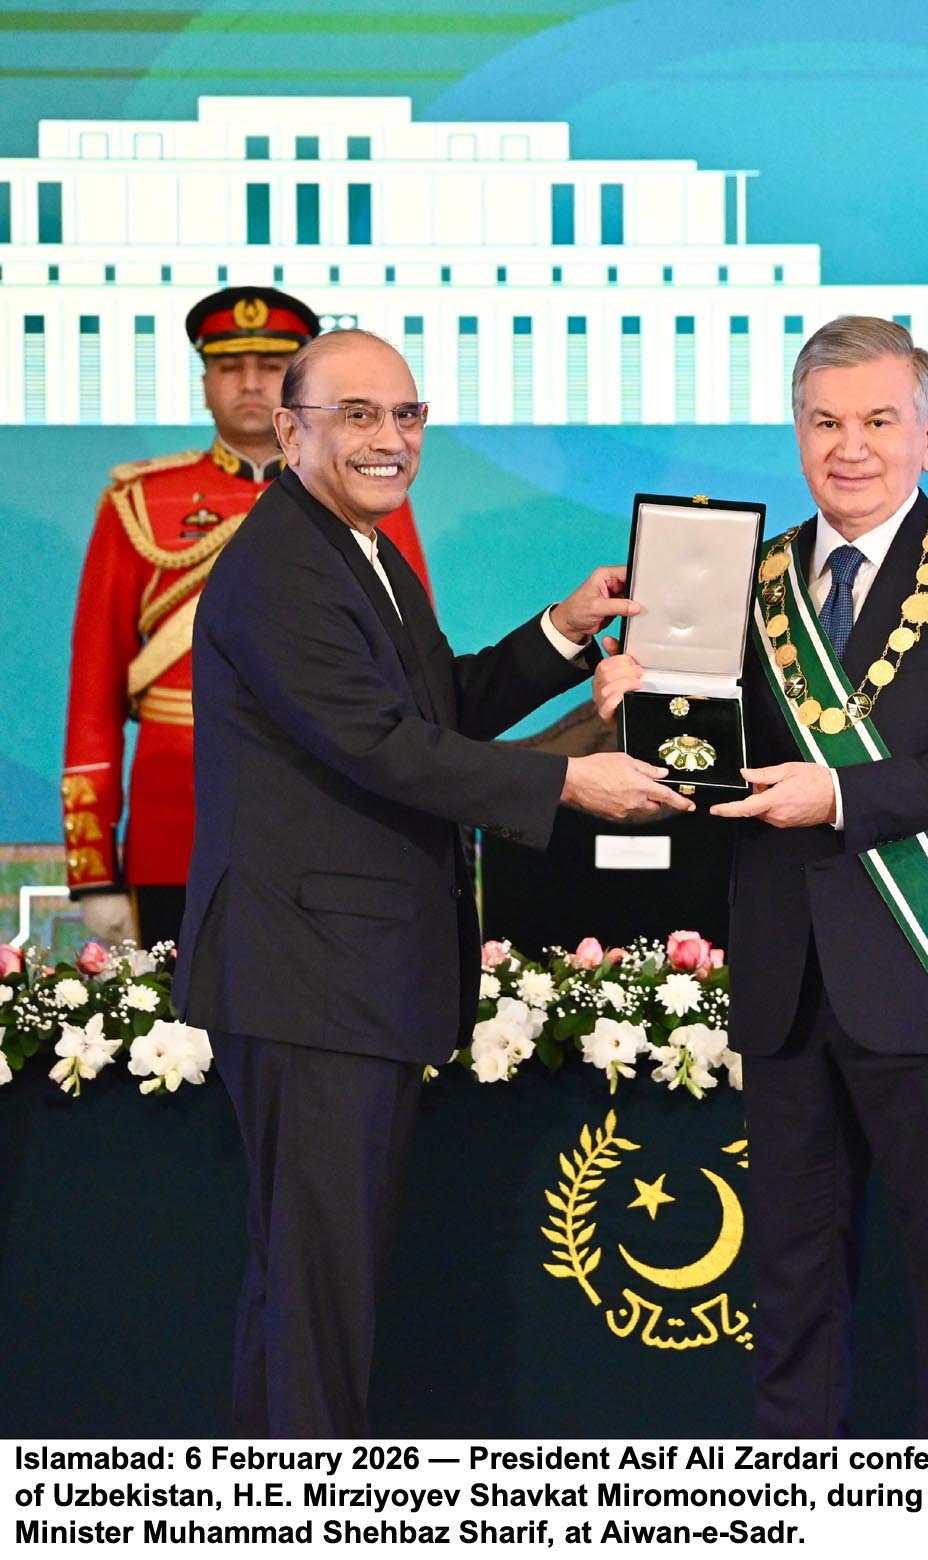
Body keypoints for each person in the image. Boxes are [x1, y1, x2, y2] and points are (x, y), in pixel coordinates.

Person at [175, 327, 693, 1437]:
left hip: (342, 977)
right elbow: (382, 746)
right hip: (311, 981)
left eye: (406, 415)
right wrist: (570, 783)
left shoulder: (357, 547)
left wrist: (565, 631)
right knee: (318, 1292)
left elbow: (434, 708)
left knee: (311, 1284)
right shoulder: (282, 564)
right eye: (358, 414)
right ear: (290, 430)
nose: (390, 438)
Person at [595, 316, 928, 1436]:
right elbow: (701, 757)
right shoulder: (742, 578)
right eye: (825, 422)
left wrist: (842, 795)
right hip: (786, 977)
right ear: (796, 434)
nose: (851, 447)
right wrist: (633, 710)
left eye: (879, 421)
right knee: (791, 1288)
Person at [62, 289, 430, 950]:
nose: (252, 383)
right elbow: (94, 694)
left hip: (336, 824)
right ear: (205, 382)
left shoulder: (374, 493)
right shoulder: (139, 503)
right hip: (177, 822)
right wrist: (93, 872)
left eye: (273, 366)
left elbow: (410, 682)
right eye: (230, 367)